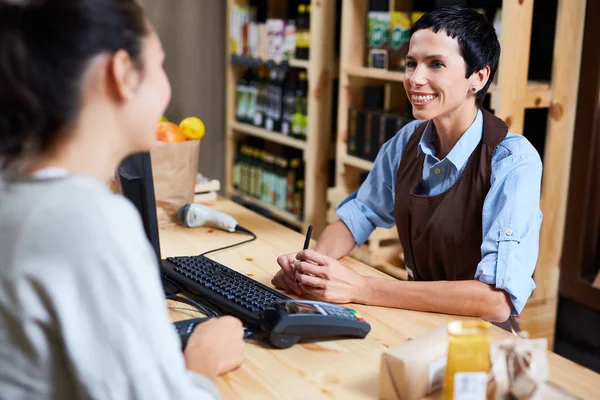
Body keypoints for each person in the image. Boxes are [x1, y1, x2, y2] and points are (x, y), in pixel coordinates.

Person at [0, 0, 243, 398]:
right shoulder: (87, 220)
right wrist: (201, 364)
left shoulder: (15, 189)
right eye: (160, 64)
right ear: (123, 74)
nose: (167, 86)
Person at [273, 6, 543, 328]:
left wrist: (361, 287)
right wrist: (314, 267)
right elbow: (359, 214)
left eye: (436, 64)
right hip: (417, 322)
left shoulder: (512, 161)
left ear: (478, 77)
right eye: (411, 63)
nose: (415, 79)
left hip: (479, 341)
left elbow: (497, 301)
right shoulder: (407, 141)